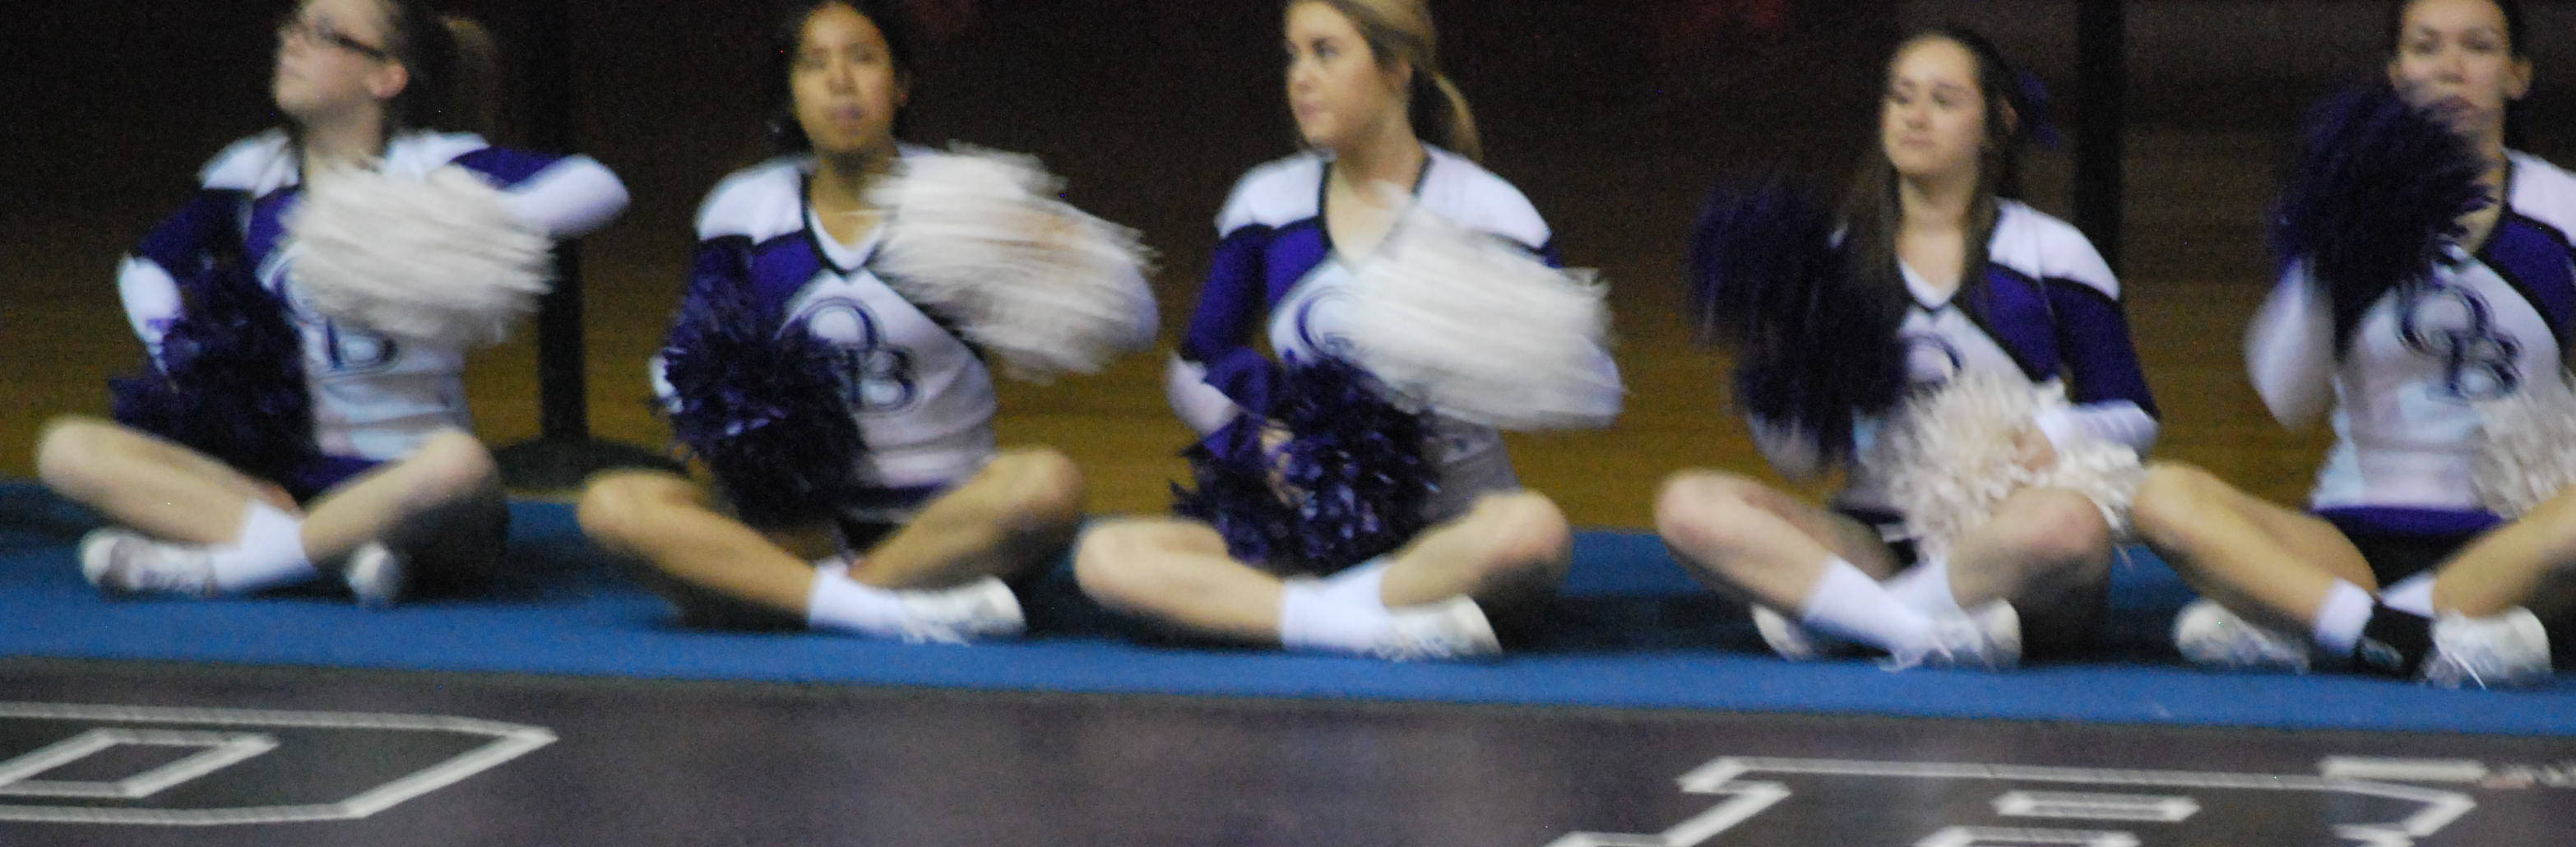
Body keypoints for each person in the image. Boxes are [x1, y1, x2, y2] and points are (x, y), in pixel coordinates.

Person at [2126, 0, 2576, 687]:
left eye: (2479, 47)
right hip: (2349, 535)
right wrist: (2329, 251)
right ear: (2397, 73)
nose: (2452, 69)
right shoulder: (2343, 205)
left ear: (2517, 75)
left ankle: (2323, 627)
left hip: (2509, 535)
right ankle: (2410, 635)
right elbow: (2288, 401)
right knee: (2161, 494)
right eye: (2427, 47)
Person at [36, 2, 626, 607]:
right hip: (281, 487)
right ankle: (327, 551)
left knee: (461, 466)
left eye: (322, 34)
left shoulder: (434, 169)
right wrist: (171, 347)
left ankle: (215, 571)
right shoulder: (255, 174)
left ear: (385, 76)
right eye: (292, 26)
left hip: (415, 490)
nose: (291, 43)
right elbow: (148, 265)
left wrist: (455, 224)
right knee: (69, 451)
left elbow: (597, 186)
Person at [1069, 0, 1596, 660]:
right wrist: (1262, 443)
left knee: (1532, 532)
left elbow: (1584, 380)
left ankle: (1294, 616)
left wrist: (1482, 359)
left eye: (1325, 52)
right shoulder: (1268, 200)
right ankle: (1364, 623)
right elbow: (1197, 364)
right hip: (1312, 532)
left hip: (1450, 532)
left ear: (1397, 68)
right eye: (1292, 55)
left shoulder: (1488, 209)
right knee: (1106, 556)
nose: (1300, 77)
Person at [576, 2, 1101, 643]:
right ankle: (882, 610)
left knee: (1047, 485)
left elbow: (1127, 323)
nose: (841, 82)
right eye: (814, 65)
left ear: (901, 85)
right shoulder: (745, 207)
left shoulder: (962, 201)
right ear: (790, 95)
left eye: (863, 58)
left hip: (947, 522)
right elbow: (683, 359)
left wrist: (1071, 255)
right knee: (613, 504)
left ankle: (788, 598)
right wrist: (739, 427)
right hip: (796, 525)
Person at [1652, 25, 2156, 669]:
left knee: (2072, 525)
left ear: (1997, 122)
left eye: (1944, 100)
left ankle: (1850, 618)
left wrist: (2057, 433)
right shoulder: (1835, 259)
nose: (1916, 117)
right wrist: (1775, 361)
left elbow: (2136, 415)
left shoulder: (2050, 253)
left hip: (2007, 543)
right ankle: (1916, 629)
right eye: (1901, 98)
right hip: (1874, 542)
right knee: (1688, 505)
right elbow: (1802, 464)